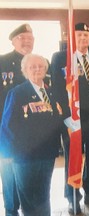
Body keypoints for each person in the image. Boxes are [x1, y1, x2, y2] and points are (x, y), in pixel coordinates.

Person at [50, 22, 89, 214]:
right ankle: (72, 196)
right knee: (73, 158)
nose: (83, 39)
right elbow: (57, 90)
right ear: (72, 38)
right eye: (79, 36)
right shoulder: (61, 58)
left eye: (86, 36)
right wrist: (66, 117)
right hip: (73, 119)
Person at [0, 53, 62, 216]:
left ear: (46, 69)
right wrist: (8, 154)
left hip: (47, 154)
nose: (37, 69)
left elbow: (56, 119)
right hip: (25, 157)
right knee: (28, 199)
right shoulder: (17, 93)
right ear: (25, 71)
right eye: (32, 67)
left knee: (44, 195)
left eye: (40, 66)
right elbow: (7, 126)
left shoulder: (51, 92)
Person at [0, 23, 34, 216]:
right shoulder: (2, 62)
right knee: (9, 172)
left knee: (28, 172)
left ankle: (28, 208)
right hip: (8, 129)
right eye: (22, 38)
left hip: (32, 129)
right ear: (13, 41)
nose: (27, 42)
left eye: (30, 39)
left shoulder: (39, 62)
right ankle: (11, 210)